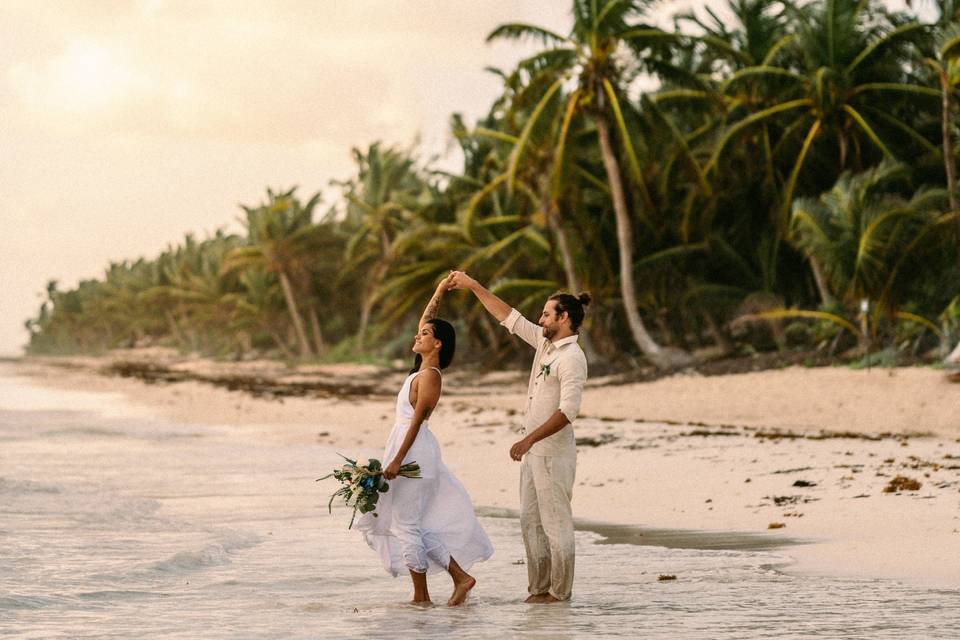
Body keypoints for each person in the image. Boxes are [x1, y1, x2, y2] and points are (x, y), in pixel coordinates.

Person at [449, 271, 589, 604]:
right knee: (530, 522)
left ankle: (559, 593)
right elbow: (507, 316)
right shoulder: (545, 344)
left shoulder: (572, 358)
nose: (540, 319)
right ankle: (538, 590)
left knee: (556, 525)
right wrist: (472, 286)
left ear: (563, 317)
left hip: (553, 453)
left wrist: (529, 439)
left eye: (545, 313)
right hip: (533, 454)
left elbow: (568, 412)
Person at [355, 274, 493, 607]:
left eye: (425, 335)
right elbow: (427, 319)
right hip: (407, 448)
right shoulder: (420, 371)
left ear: (438, 344)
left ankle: (422, 598)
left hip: (413, 451)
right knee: (413, 524)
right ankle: (460, 578)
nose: (419, 335)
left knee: (406, 526)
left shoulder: (431, 377)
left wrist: (398, 459)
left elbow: (416, 422)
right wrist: (440, 289)